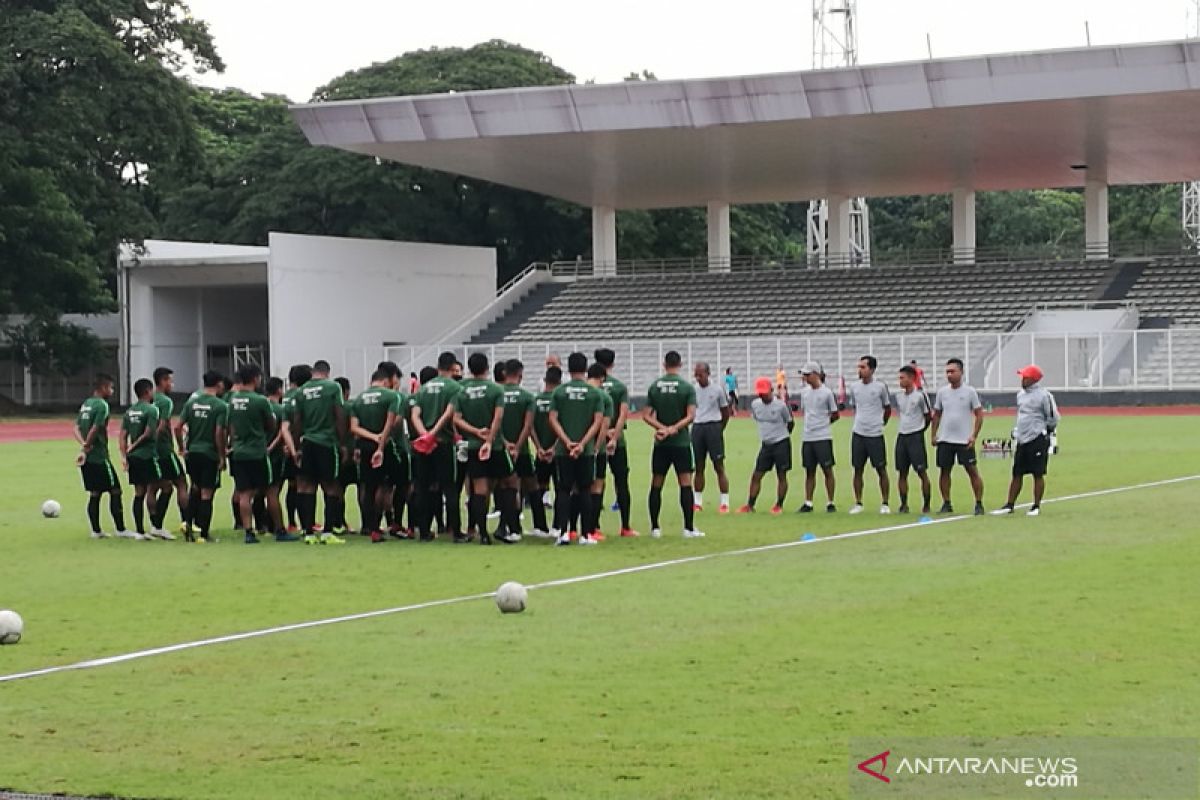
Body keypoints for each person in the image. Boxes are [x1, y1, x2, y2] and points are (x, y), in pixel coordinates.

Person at [454, 352, 519, 545]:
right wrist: (490, 440)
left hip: (473, 446)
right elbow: (497, 418)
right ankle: (506, 528)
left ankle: (482, 534)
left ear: (469, 369)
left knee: (479, 489)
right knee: (510, 483)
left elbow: (456, 419)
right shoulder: (495, 390)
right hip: (496, 446)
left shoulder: (462, 391)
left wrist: (476, 432)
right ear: (487, 368)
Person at [283, 359, 348, 544]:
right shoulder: (333, 387)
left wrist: (296, 447)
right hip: (327, 443)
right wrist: (342, 443)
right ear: (327, 372)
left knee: (306, 486)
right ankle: (328, 532)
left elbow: (297, 421)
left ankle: (308, 532)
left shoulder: (301, 391)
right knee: (331, 486)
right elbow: (339, 414)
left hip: (308, 443)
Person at [548, 352, 605, 546]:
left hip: (564, 450)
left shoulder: (559, 392)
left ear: (568, 369)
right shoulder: (595, 393)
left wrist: (566, 441)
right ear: (586, 368)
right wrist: (582, 444)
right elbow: (597, 422)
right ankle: (586, 534)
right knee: (585, 490)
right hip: (586, 450)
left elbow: (552, 419)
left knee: (564, 490)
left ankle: (563, 532)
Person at [644, 350, 702, 539]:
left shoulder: (655, 386)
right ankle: (688, 528)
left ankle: (655, 528)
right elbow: (691, 416)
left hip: (661, 443)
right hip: (681, 442)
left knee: (656, 483)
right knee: (685, 484)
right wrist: (673, 428)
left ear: (664, 364)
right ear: (680, 364)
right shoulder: (686, 388)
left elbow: (645, 415)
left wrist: (662, 428)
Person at [409, 352, 464, 542]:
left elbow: (415, 414)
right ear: (452, 367)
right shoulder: (454, 387)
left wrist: (424, 434)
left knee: (422, 488)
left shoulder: (423, 389)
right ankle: (455, 532)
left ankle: (424, 531)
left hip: (424, 446)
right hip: (443, 443)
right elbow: (449, 414)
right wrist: (433, 434)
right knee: (450, 488)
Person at [993, 365, 1060, 517]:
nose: (1022, 380)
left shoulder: (1044, 396)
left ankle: (1036, 506)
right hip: (1022, 439)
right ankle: (1009, 504)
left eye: (1025, 377)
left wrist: (1046, 432)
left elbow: (1052, 417)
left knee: (1037, 473)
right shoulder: (1020, 395)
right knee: (1017, 473)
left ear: (1034, 379)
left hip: (1037, 438)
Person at [75, 373, 130, 538]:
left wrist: (83, 445)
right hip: (99, 456)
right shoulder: (102, 405)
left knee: (95, 493)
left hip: (88, 458)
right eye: (111, 388)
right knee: (115, 490)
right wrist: (88, 446)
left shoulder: (86, 404)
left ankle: (96, 531)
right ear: (104, 388)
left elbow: (76, 427)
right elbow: (96, 428)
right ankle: (120, 530)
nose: (112, 391)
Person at [350, 368, 400, 542]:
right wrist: (380, 442)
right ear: (386, 381)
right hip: (384, 447)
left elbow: (354, 428)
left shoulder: (358, 399)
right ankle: (393, 522)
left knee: (369, 488)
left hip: (365, 447)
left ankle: (371, 528)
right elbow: (390, 422)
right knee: (389, 486)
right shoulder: (391, 396)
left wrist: (371, 437)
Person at [179, 370, 229, 542]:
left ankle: (188, 526)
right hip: (209, 453)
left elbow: (178, 427)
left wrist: (182, 448)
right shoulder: (220, 406)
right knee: (207, 494)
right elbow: (218, 433)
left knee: (195, 488)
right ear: (219, 384)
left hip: (192, 452)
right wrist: (222, 456)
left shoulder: (191, 403)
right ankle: (204, 534)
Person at [930, 357, 985, 515]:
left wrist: (974, 435)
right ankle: (946, 502)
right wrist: (934, 434)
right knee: (944, 471)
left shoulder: (970, 392)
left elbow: (979, 414)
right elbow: (937, 414)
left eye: (952, 371)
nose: (949, 374)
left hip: (964, 439)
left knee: (972, 471)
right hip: (945, 439)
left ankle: (979, 503)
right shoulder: (942, 392)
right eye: (947, 372)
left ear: (961, 372)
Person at [502, 359, 548, 537]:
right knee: (532, 485)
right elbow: (528, 426)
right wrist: (518, 447)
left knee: (507, 487)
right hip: (521, 451)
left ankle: (512, 528)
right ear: (521, 375)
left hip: (501, 449)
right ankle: (541, 526)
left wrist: (506, 444)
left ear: (505, 374)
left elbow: (494, 423)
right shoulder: (527, 397)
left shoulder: (497, 394)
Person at [594, 348, 637, 537]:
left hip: (596, 441)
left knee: (597, 483)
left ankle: (594, 527)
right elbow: (623, 414)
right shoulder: (620, 387)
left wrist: (602, 435)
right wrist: (614, 434)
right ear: (612, 363)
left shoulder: (593, 387)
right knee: (622, 482)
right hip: (617, 442)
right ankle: (625, 526)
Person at [738, 376, 794, 514]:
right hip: (766, 445)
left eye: (765, 392)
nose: (762, 395)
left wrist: (782, 436)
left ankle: (779, 505)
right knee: (757, 475)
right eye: (760, 393)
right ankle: (750, 505)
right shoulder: (755, 405)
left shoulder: (781, 405)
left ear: (772, 390)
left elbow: (790, 422)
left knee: (781, 475)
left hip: (781, 443)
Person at [847, 355, 892, 515]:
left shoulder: (880, 387)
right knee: (857, 469)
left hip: (875, 434)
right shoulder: (854, 387)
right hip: (858, 433)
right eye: (859, 367)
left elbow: (887, 408)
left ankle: (885, 503)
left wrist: (881, 422)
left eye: (863, 367)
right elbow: (855, 406)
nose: (860, 370)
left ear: (872, 369)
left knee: (881, 469)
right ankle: (858, 502)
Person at [120, 378, 161, 540]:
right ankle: (156, 525)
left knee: (139, 492)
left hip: (133, 458)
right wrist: (135, 446)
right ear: (147, 391)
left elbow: (123, 435)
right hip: (147, 455)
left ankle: (139, 531)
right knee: (160, 487)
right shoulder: (151, 410)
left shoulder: (129, 411)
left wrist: (125, 455)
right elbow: (149, 432)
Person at [797, 362, 839, 513]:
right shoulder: (804, 392)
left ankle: (830, 501)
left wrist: (823, 424)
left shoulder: (827, 393)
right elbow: (805, 411)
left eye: (807, 375)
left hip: (822, 436)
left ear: (816, 374)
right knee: (809, 471)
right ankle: (808, 502)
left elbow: (835, 414)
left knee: (827, 469)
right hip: (807, 436)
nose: (805, 377)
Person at [691, 361, 731, 513]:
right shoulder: (693, 390)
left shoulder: (718, 390)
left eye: (700, 375)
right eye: (696, 375)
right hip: (698, 427)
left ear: (707, 373)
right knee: (699, 466)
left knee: (719, 466)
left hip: (713, 426)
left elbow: (725, 412)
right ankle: (697, 502)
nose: (698, 378)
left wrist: (720, 429)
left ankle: (724, 502)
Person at [892, 364, 933, 515]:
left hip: (915, 436)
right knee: (902, 472)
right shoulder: (898, 397)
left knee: (922, 472)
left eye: (902, 378)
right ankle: (903, 504)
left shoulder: (920, 396)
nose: (900, 381)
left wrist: (921, 430)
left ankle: (926, 504)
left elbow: (928, 416)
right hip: (902, 436)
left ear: (911, 378)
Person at [150, 367, 183, 540]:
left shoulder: (147, 398)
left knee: (152, 487)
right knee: (181, 484)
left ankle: (152, 525)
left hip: (148, 453)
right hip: (163, 450)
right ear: (162, 381)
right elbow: (162, 426)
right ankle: (187, 523)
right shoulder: (165, 402)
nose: (172, 384)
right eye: (169, 380)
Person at [279, 364, 312, 532]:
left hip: (287, 446)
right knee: (305, 485)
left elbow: (284, 426)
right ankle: (307, 523)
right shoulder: (304, 396)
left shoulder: (285, 397)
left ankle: (292, 522)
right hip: (303, 445)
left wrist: (289, 448)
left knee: (292, 485)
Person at [531, 365, 562, 536]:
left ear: (545, 381)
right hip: (558, 453)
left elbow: (530, 427)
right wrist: (553, 448)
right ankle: (557, 526)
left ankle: (540, 526)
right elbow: (562, 425)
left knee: (538, 488)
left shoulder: (535, 400)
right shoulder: (560, 400)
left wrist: (539, 448)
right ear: (559, 381)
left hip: (540, 452)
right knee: (560, 489)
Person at [585, 363, 614, 539]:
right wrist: (597, 446)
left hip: (572, 446)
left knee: (575, 488)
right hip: (595, 448)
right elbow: (603, 426)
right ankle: (592, 528)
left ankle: (571, 529)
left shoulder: (569, 392)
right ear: (602, 378)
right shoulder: (603, 396)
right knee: (596, 486)